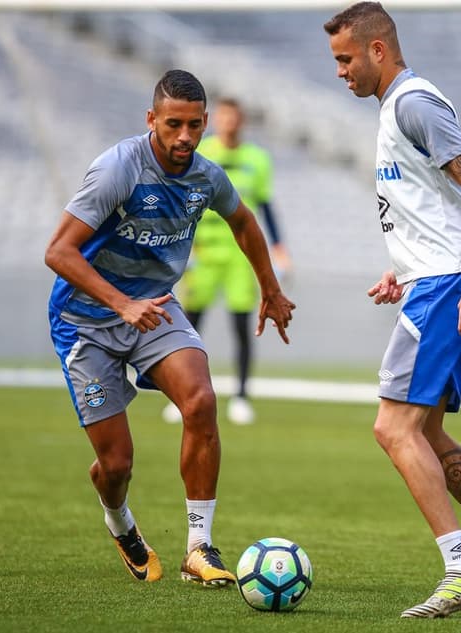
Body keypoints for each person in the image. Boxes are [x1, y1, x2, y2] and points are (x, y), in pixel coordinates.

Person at [324, 2, 461, 619]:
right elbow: (439, 199)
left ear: (377, 50)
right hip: (435, 277)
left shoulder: (413, 103)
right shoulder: (397, 109)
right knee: (425, 431)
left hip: (449, 285)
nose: (339, 72)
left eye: (345, 59)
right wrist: (408, 266)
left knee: (391, 428)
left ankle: (458, 568)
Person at [44, 69, 295, 586]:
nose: (185, 137)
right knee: (116, 465)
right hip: (85, 319)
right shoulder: (119, 168)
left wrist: (270, 289)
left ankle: (199, 548)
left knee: (201, 401)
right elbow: (58, 251)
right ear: (151, 120)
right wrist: (120, 303)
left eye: (195, 125)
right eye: (174, 124)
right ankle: (119, 520)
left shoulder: (207, 176)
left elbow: (245, 223)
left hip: (154, 307)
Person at [161, 97, 292, 426]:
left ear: (241, 120)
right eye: (223, 117)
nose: (228, 123)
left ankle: (242, 396)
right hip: (204, 252)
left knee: (241, 325)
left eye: (233, 118)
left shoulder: (257, 159)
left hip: (239, 256)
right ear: (214, 120)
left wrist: (278, 247)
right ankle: (181, 396)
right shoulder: (200, 154)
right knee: (189, 326)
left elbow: (265, 207)